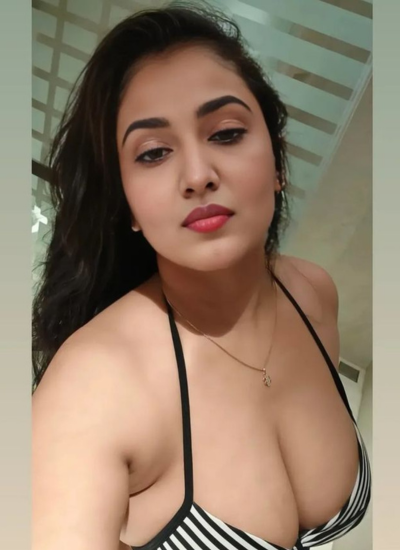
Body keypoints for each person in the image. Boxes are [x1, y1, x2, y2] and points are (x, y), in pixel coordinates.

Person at [32, 3, 371, 550]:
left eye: (227, 133)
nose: (197, 175)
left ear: (278, 162)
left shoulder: (313, 293)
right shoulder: (92, 387)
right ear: (128, 206)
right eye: (154, 153)